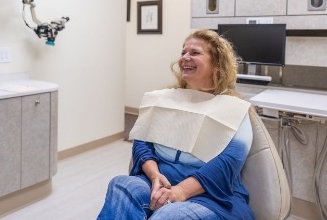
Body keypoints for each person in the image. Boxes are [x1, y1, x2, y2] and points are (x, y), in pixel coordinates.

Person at [97, 29, 254, 220]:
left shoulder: (233, 109)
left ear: (216, 63)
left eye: (195, 53)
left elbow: (228, 162)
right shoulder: (164, 99)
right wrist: (155, 176)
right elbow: (142, 141)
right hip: (158, 182)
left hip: (211, 195)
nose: (185, 58)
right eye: (183, 52)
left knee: (170, 215)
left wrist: (181, 191)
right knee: (122, 184)